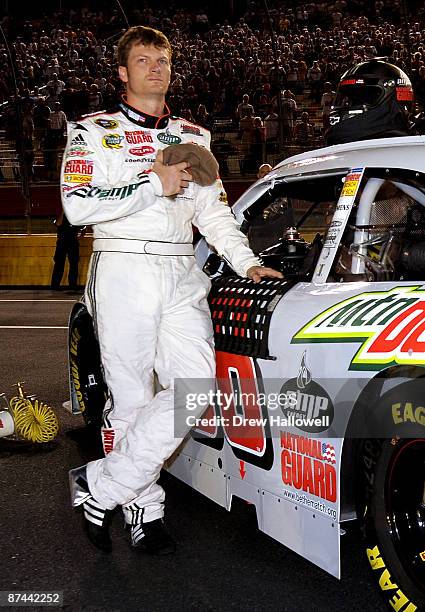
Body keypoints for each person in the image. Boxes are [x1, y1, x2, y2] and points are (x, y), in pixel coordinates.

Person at [65, 26, 282, 556]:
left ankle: (101, 484)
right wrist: (150, 185)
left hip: (183, 273)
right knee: (133, 401)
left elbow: (214, 215)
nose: (156, 68)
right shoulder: (92, 132)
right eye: (144, 60)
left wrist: (249, 263)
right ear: (123, 72)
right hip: (123, 269)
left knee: (196, 388)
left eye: (162, 59)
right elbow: (77, 205)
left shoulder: (197, 137)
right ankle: (145, 510)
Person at [50, 211, 84, 291]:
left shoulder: (76, 215)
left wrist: (80, 237)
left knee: (73, 264)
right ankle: (55, 285)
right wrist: (63, 212)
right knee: (59, 263)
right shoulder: (61, 215)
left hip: (73, 242)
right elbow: (58, 224)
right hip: (62, 241)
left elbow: (83, 228)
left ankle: (72, 285)